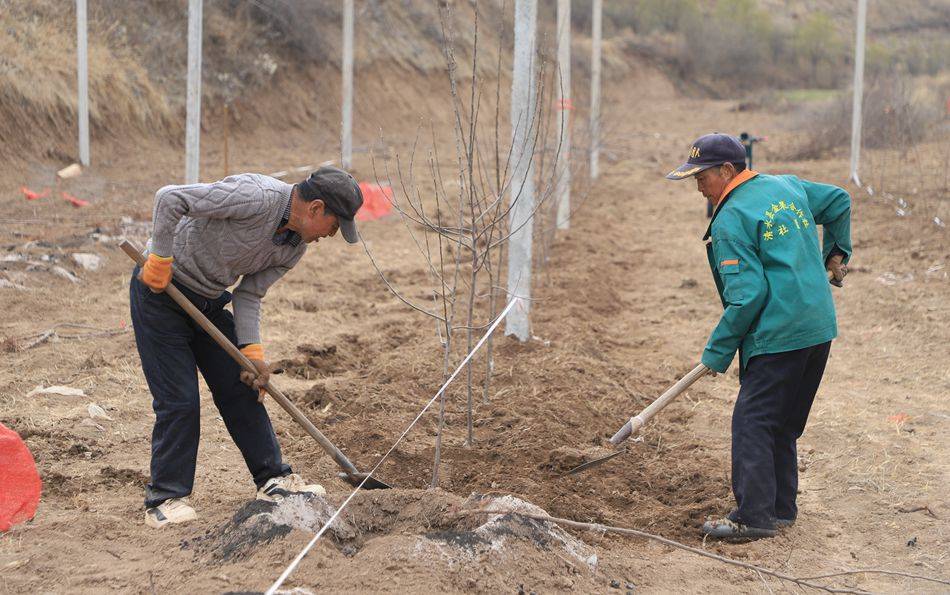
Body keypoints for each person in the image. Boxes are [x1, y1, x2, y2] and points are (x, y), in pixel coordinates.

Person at [130, 166, 364, 528]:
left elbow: (251, 293)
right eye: (334, 226)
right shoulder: (255, 197)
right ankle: (165, 497)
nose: (331, 235)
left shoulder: (293, 247)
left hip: (208, 300)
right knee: (179, 399)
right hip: (161, 291)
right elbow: (170, 198)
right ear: (316, 208)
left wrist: (251, 351)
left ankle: (272, 480)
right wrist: (160, 257)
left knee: (243, 387)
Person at [666, 133, 851, 540]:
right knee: (782, 424)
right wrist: (837, 250)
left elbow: (748, 298)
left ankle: (753, 518)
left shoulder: (730, 219)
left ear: (727, 171)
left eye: (702, 178)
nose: (698, 188)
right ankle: (780, 508)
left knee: (752, 423)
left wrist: (717, 352)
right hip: (818, 327)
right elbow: (838, 199)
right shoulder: (784, 185)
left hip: (779, 334)